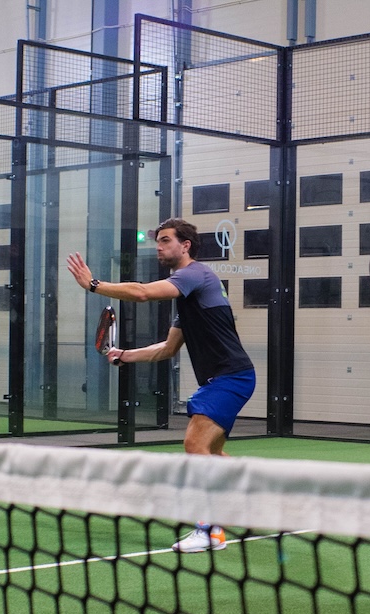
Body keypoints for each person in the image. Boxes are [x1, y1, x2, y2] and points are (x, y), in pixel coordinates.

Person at [67, 217, 255, 554]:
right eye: (158, 240)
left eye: (166, 240)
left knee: (194, 445)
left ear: (185, 246)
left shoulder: (196, 275)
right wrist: (125, 355)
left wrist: (94, 285)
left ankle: (210, 531)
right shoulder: (189, 298)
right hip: (226, 379)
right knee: (211, 452)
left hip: (231, 376)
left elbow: (141, 293)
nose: (159, 246)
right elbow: (167, 349)